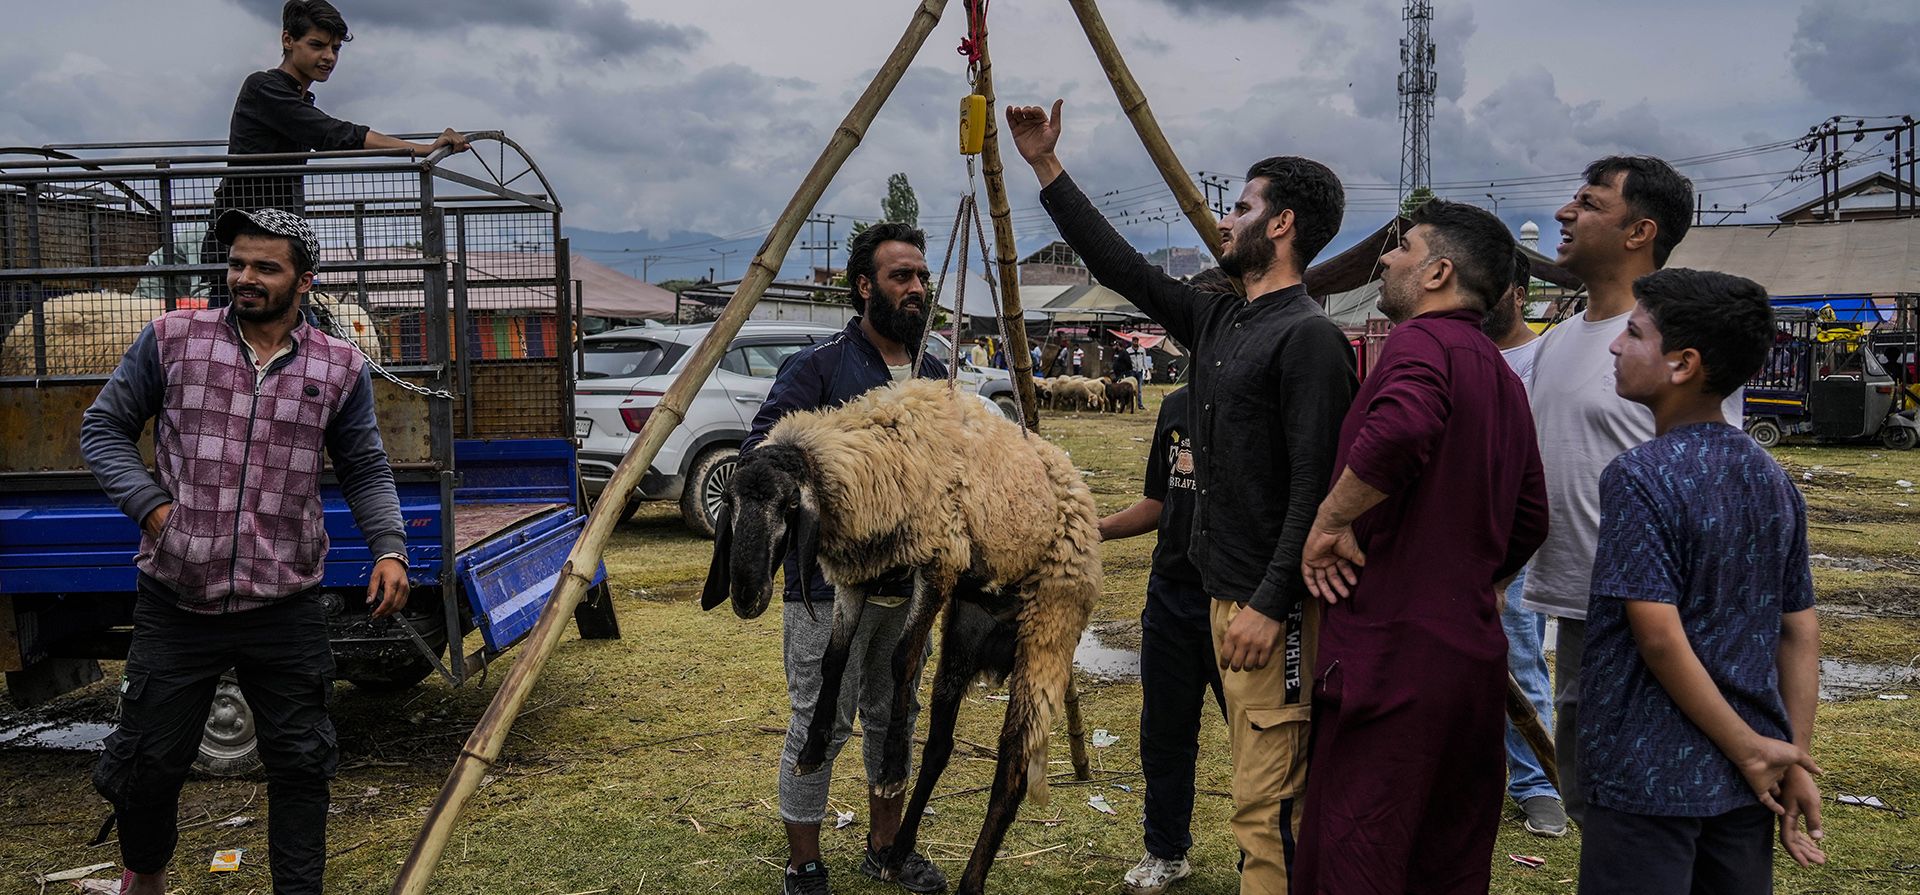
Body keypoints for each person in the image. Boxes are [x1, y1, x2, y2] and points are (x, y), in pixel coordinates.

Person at [1011, 98, 1356, 895]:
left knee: (1269, 805)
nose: (1224, 220)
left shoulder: (1308, 338)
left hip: (1271, 611)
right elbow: (1122, 267)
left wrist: (1271, 605)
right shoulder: (1221, 319)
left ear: (1283, 224)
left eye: (1240, 207)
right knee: (1248, 792)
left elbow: (1318, 488)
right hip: (1210, 595)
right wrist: (1044, 165)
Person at [80, 209, 411, 895]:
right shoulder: (173, 339)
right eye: (237, 264)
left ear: (303, 279)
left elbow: (367, 469)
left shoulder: (339, 365)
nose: (245, 278)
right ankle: (144, 875)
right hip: (178, 596)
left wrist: (390, 548)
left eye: (265, 267)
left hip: (284, 603)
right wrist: (154, 507)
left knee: (300, 761)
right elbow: (104, 427)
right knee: (147, 761)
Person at [1293, 200, 1548, 894]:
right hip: (1470, 663)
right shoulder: (1500, 373)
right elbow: (1530, 517)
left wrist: (1331, 522)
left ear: (1438, 272)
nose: (1384, 258)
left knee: (1359, 852)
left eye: (1401, 248)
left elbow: (1404, 427)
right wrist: (1477, 579)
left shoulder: (1420, 344)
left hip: (1389, 658)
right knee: (1445, 860)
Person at [1579, 267, 1824, 894]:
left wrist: (1752, 749)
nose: (1614, 346)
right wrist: (1787, 753)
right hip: (1747, 781)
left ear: (1682, 364)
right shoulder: (1772, 477)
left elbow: (1657, 635)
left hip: (1647, 775)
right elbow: (1798, 632)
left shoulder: (1639, 477)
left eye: (1633, 334)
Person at [1521, 156, 1743, 823]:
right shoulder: (1554, 343)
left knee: (1653, 817)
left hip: (1665, 621)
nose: (1565, 213)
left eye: (1588, 203)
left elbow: (1711, 488)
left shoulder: (1672, 349)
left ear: (1638, 231)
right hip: (1581, 616)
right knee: (1591, 803)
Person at [742, 222, 949, 895]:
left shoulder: (936, 372)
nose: (915, 288)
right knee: (821, 718)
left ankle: (886, 847)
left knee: (898, 715)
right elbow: (762, 460)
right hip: (828, 588)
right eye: (900, 276)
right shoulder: (819, 368)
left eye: (921, 276)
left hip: (911, 586)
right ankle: (803, 863)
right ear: (865, 286)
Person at [201, 0, 470, 297]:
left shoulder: (299, 99)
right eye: (317, 45)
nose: (328, 56)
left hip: (277, 240)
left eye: (336, 48)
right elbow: (332, 133)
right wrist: (421, 149)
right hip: (243, 242)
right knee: (232, 334)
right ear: (288, 40)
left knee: (297, 329)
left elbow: (331, 133)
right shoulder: (264, 88)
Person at [1097, 386, 1226, 894]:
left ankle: (1263, 857)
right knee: (1164, 732)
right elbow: (1160, 498)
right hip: (1171, 595)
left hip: (1237, 598)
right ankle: (1166, 851)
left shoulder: (1261, 388)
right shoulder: (1175, 405)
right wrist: (1096, 527)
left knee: (1258, 737)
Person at [1482, 247, 1567, 837]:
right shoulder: (1457, 353)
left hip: (1522, 531)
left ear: (1517, 293)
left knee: (1519, 657)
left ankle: (1537, 782)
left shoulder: (1550, 357)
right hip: (1460, 530)